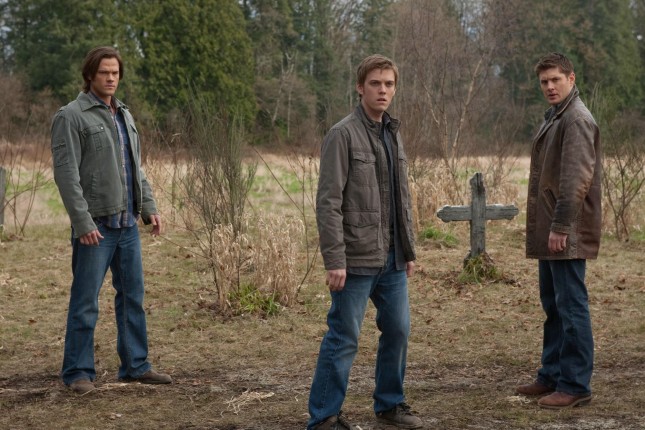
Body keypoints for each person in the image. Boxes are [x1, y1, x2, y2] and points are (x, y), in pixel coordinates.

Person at [307, 55, 422, 430]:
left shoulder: (393, 132)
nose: (383, 90)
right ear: (360, 88)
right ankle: (324, 417)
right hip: (355, 258)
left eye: (389, 84)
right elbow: (328, 202)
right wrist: (334, 259)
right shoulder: (342, 134)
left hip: (392, 259)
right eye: (375, 83)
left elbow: (401, 198)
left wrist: (408, 250)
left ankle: (390, 404)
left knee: (399, 330)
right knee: (344, 337)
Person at [51, 46, 172, 394]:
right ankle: (77, 372)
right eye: (104, 72)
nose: (110, 78)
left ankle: (135, 366)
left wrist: (149, 206)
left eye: (115, 73)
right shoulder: (71, 116)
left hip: (128, 225)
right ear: (90, 74)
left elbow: (136, 167)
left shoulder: (124, 114)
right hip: (96, 227)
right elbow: (66, 175)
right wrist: (82, 221)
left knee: (132, 297)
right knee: (85, 302)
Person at [517, 52, 601, 409]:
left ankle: (575, 384)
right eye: (544, 81)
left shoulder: (576, 119)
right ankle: (551, 375)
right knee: (553, 306)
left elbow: (576, 179)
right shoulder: (557, 116)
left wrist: (562, 226)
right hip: (554, 228)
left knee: (571, 307)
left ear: (571, 78)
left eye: (556, 79)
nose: (550, 86)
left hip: (566, 230)